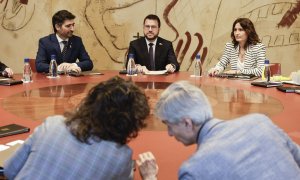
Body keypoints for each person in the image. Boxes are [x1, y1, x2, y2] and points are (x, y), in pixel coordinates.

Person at [137, 81, 300, 179]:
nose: (170, 133)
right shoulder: (260, 121)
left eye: (169, 126)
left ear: (187, 123)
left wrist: (151, 177)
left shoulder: (194, 169)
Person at [4, 76, 150, 179]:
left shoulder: (52, 124)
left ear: (90, 103)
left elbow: (10, 170)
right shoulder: (120, 157)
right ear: (131, 123)